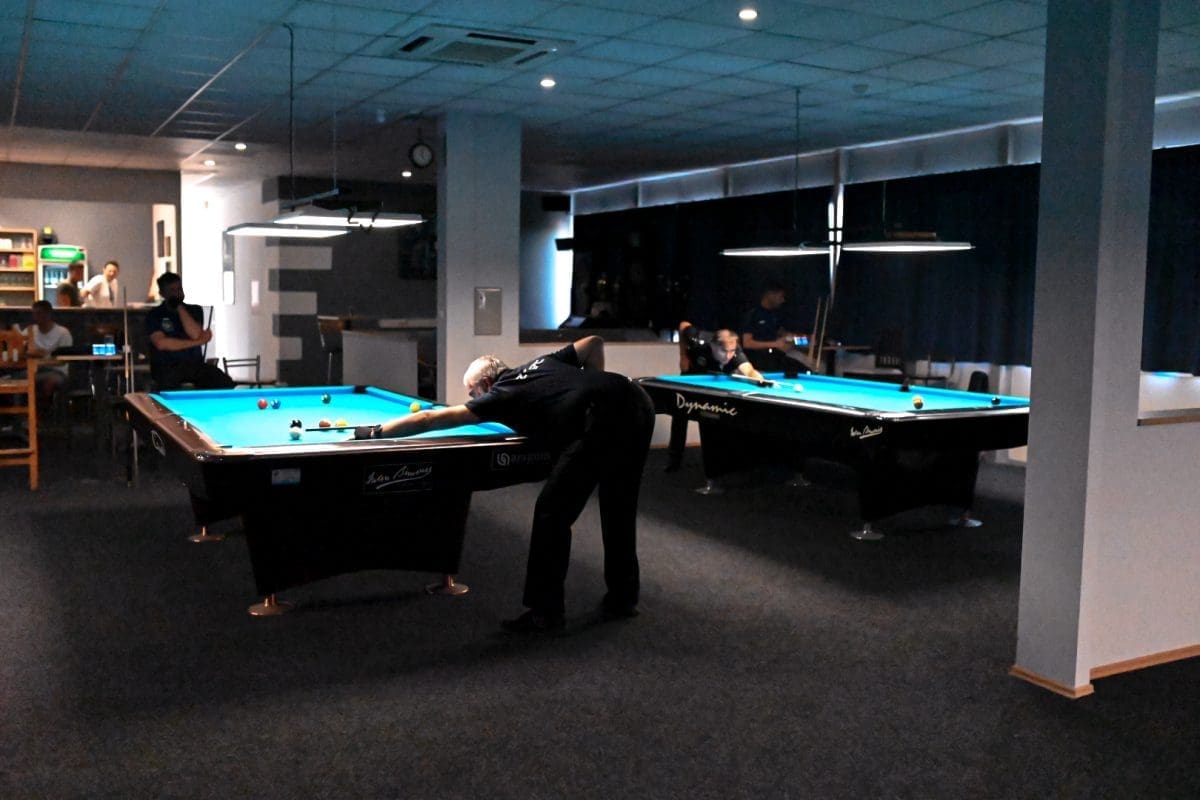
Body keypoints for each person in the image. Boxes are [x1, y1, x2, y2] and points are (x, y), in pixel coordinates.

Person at [354, 336, 655, 633]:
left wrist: (375, 432)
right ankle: (623, 598)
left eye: (472, 392)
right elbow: (594, 343)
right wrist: (594, 385)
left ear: (486, 383)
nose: (474, 399)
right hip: (637, 400)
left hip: (604, 419)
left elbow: (428, 419)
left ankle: (545, 614)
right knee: (619, 504)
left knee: (551, 513)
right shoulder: (542, 363)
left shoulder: (502, 394)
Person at [665, 321, 766, 472]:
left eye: (732, 351)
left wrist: (760, 380)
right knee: (680, 417)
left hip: (713, 383)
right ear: (713, 346)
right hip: (691, 379)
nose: (729, 356)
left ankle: (721, 461)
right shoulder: (698, 342)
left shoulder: (736, 352)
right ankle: (674, 460)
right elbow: (683, 325)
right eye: (724, 351)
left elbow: (749, 370)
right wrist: (683, 356)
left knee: (714, 418)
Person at [145, 272, 234, 390]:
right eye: (172, 290)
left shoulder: (194, 310)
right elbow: (162, 343)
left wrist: (179, 307)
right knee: (169, 383)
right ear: (163, 293)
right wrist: (199, 342)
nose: (176, 293)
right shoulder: (155, 314)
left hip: (193, 364)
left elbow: (195, 334)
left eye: (179, 289)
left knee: (222, 380)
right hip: (167, 366)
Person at [740, 283, 815, 374]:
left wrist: (805, 340)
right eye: (781, 296)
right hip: (759, 360)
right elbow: (747, 343)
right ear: (771, 294)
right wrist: (775, 344)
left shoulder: (775, 315)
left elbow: (787, 337)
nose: (783, 300)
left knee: (808, 366)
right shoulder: (753, 314)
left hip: (777, 355)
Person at [22, 300, 73, 401]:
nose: (36, 317)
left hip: (57, 371)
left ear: (49, 314)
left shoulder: (63, 333)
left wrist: (43, 356)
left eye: (39, 313)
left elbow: (64, 360)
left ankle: (46, 409)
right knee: (15, 378)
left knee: (49, 381)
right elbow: (19, 348)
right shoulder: (30, 330)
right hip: (34, 370)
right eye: (34, 314)